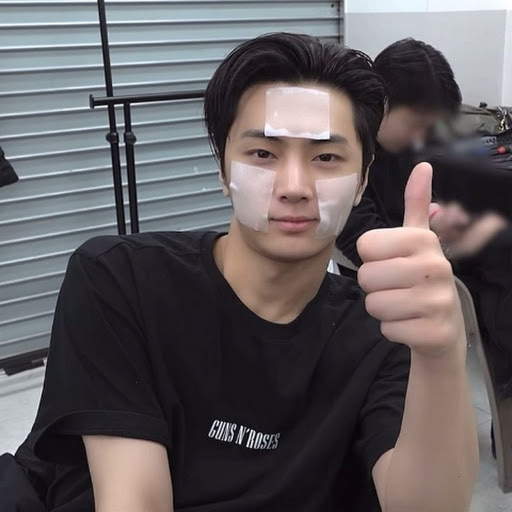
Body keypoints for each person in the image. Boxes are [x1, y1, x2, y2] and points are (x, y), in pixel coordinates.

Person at [3, 33, 477, 511]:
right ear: (222, 167)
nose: (294, 186)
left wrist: (441, 355)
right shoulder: (120, 280)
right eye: (263, 154)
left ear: (362, 180)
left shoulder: (381, 331)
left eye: (326, 158)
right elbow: (135, 500)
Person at [336, 37, 512, 402]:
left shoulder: (414, 147)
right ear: (381, 102)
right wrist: (431, 235)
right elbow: (360, 237)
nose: (424, 137)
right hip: (392, 278)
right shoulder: (347, 155)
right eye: (417, 124)